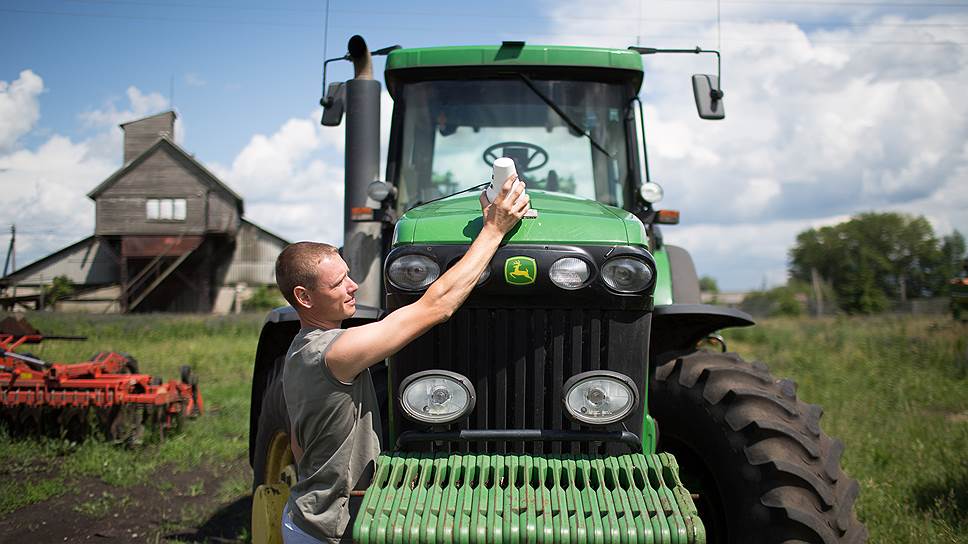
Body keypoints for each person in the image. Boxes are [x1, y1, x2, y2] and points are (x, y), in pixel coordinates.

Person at [275, 175, 530, 543]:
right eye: (338, 284)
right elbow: (435, 307)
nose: (353, 287)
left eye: (349, 276)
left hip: (305, 515)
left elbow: (300, 447)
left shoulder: (299, 349)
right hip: (328, 531)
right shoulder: (334, 352)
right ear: (304, 297)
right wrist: (493, 230)